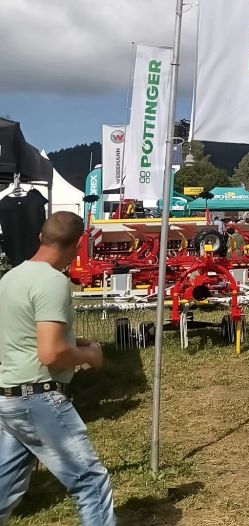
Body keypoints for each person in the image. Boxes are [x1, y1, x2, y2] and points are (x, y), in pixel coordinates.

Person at [0, 212, 115, 525]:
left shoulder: (10, 278)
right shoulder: (53, 282)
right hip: (39, 398)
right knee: (90, 482)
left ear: (41, 237)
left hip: (10, 397)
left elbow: (20, 334)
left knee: (4, 487)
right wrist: (90, 355)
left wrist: (72, 340)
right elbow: (51, 353)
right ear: (77, 246)